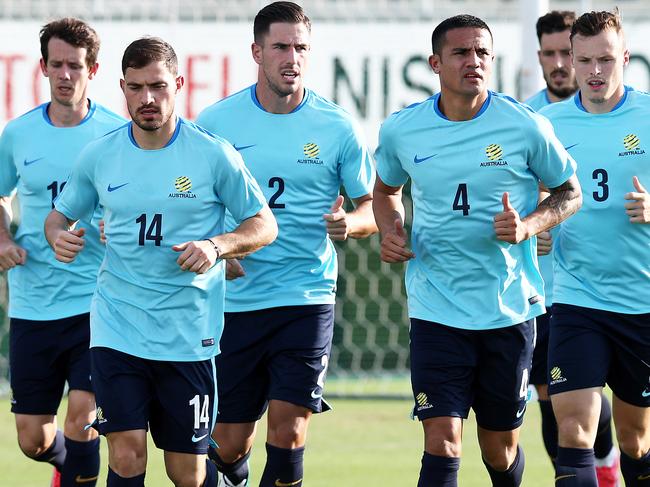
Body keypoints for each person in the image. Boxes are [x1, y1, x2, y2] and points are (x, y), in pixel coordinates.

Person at [44, 37, 277, 487]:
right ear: (122, 88)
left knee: (186, 472)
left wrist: (217, 246)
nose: (147, 99)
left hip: (187, 336)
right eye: (135, 88)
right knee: (126, 454)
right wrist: (57, 236)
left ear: (179, 85)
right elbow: (59, 216)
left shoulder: (213, 154)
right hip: (117, 328)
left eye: (157, 86)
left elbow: (263, 224)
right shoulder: (100, 154)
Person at [373, 14, 582, 487]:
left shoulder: (524, 125)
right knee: (443, 441)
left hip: (506, 310)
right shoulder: (403, 130)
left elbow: (570, 192)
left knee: (499, 450)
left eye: (482, 53)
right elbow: (385, 191)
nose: (474, 62)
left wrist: (528, 225)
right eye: (462, 53)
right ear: (435, 63)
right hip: (435, 309)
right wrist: (392, 229)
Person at [196, 2, 376, 486]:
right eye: (280, 46)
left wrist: (350, 224)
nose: (291, 57)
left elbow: (372, 207)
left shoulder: (335, 126)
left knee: (291, 428)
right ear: (257, 51)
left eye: (300, 47)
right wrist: (220, 248)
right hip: (234, 302)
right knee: (230, 441)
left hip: (305, 295)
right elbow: (193, 202)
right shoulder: (216, 122)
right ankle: (233, 472)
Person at [0, 18, 125, 487]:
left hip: (98, 302)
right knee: (33, 438)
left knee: (82, 417)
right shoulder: (18, 134)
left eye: (75, 65)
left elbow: (139, 196)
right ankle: (69, 466)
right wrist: (3, 240)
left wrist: (118, 226)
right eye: (57, 65)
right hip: (33, 301)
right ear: (44, 67)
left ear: (92, 69)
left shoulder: (117, 133)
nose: (65, 74)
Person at [540, 10, 650, 486]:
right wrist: (536, 225)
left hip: (641, 302)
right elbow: (534, 197)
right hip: (576, 298)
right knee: (574, 429)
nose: (595, 71)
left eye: (606, 59)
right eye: (584, 60)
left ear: (626, 58)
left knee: (635, 440)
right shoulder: (547, 124)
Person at [524, 11, 619, 485]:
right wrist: (534, 222)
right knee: (551, 395)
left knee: (611, 411)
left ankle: (609, 460)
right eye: (551, 55)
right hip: (548, 288)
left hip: (619, 287)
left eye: (569, 54)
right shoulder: (530, 120)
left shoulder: (628, 116)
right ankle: (589, 471)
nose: (561, 64)